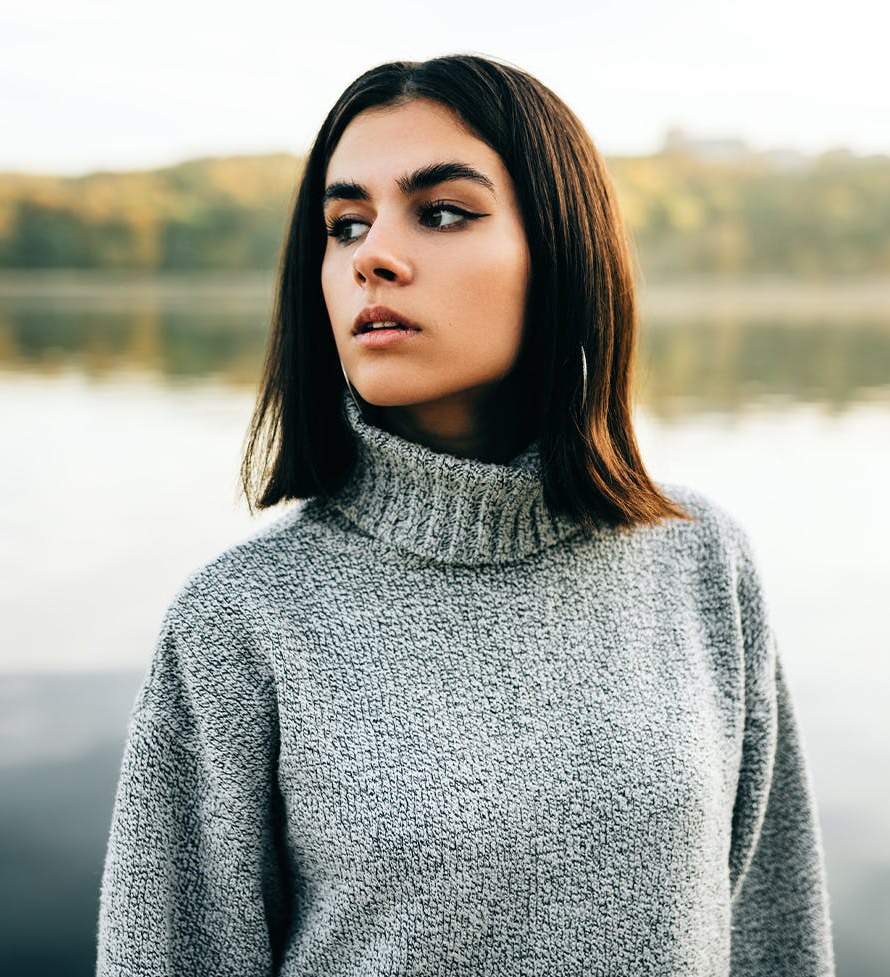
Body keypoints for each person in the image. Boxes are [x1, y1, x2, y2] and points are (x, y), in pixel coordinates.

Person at [95, 54, 835, 976]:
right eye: (345, 223)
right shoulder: (241, 620)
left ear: (563, 250)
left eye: (441, 211)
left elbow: (773, 934)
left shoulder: (700, 560)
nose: (372, 255)